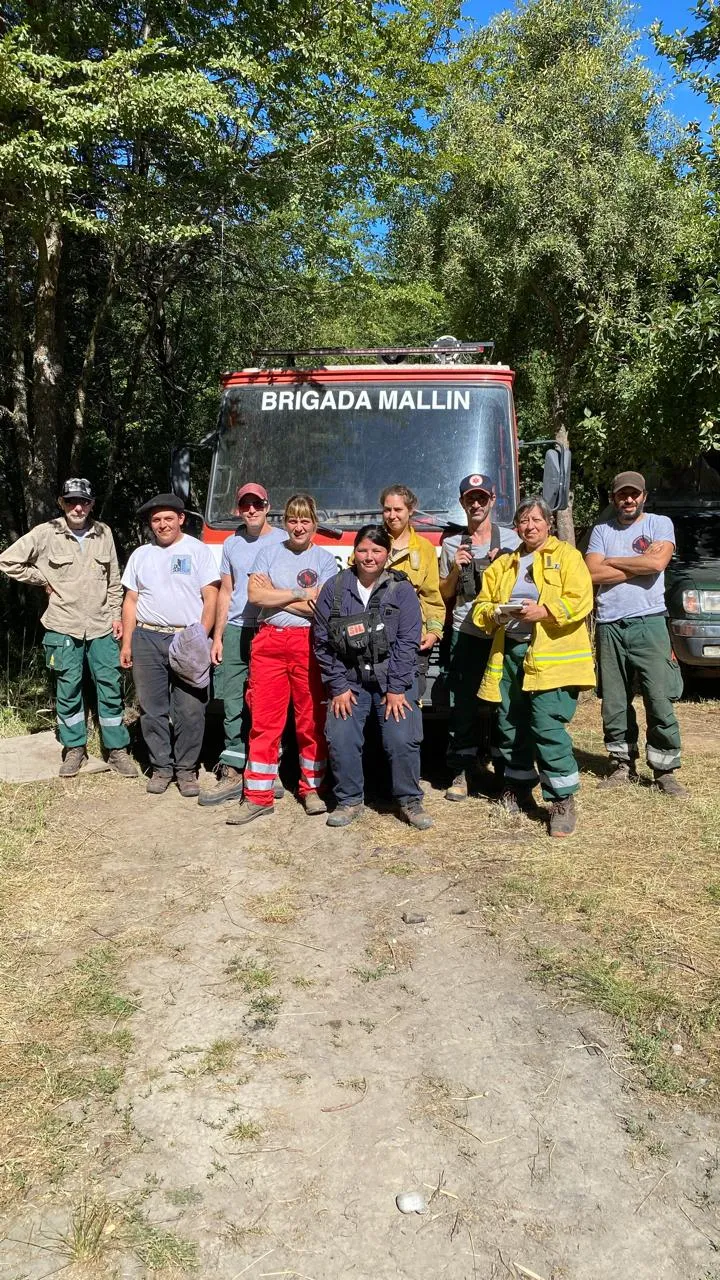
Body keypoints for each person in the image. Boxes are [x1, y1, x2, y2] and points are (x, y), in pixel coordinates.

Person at [472, 496, 596, 837]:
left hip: (552, 660)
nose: (529, 526)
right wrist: (496, 613)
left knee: (547, 728)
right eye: (523, 521)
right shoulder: (504, 564)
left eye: (536, 520)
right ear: (516, 527)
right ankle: (519, 787)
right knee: (511, 726)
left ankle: (562, 801)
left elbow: (580, 599)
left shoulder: (567, 557)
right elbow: (481, 607)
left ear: (548, 524)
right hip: (510, 655)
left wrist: (543, 611)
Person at [0, 478, 137, 778]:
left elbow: (115, 580)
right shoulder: (47, 533)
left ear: (92, 504)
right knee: (68, 688)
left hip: (102, 625)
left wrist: (116, 615)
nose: (78, 507)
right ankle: (74, 748)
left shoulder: (104, 533)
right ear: (61, 502)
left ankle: (116, 750)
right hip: (63, 624)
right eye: (71, 501)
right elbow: (7, 560)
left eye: (84, 501)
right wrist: (42, 579)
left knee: (110, 687)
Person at [227, 494, 337, 826]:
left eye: (305, 520)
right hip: (269, 642)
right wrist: (299, 593)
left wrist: (278, 594)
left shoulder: (325, 560)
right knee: (264, 721)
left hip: (308, 644)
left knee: (311, 721)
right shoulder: (268, 552)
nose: (299, 526)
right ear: (284, 523)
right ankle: (258, 796)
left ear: (314, 523)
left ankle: (312, 789)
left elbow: (321, 609)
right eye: (292, 520)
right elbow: (256, 596)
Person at [312, 524, 432, 830]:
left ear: (387, 554)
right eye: (363, 550)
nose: (369, 557)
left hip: (392, 680)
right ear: (354, 553)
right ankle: (349, 800)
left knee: (402, 737)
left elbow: (407, 643)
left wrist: (396, 689)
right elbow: (323, 642)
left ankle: (409, 801)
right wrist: (337, 687)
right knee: (340, 735)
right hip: (349, 682)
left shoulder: (401, 590)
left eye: (377, 550)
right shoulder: (335, 588)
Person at [584, 470, 686, 796]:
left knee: (659, 698)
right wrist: (637, 561)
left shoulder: (659, 524)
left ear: (643, 496)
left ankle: (664, 769)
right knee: (614, 702)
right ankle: (621, 764)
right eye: (622, 495)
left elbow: (657, 566)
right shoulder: (601, 530)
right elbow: (592, 571)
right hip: (610, 624)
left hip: (650, 621)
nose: (628, 500)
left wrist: (614, 563)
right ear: (613, 498)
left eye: (634, 494)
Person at [120, 494, 220, 796]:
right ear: (151, 524)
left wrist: (201, 636)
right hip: (147, 637)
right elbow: (131, 601)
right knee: (152, 709)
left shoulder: (197, 551)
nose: (162, 524)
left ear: (181, 519)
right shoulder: (141, 555)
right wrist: (127, 643)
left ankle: (186, 770)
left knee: (191, 709)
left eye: (168, 518)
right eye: (156, 520)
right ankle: (161, 767)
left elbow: (211, 596)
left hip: (187, 637)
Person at [199, 482, 286, 806]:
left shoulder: (281, 540)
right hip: (235, 629)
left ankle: (269, 767)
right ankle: (233, 767)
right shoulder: (231, 543)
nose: (251, 509)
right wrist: (218, 636)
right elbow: (226, 591)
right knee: (233, 701)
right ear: (238, 508)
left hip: (268, 627)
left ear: (267, 506)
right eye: (245, 504)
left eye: (257, 504)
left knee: (267, 702)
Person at [439, 473, 520, 800]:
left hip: (503, 633)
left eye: (482, 498)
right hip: (465, 630)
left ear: (492, 500)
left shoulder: (513, 540)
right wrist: (457, 568)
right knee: (464, 703)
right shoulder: (449, 544)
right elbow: (443, 593)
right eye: (470, 499)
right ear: (461, 503)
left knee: (506, 701)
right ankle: (462, 770)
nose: (476, 504)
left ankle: (506, 771)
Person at [380, 484, 445, 657]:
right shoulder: (371, 542)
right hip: (373, 637)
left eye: (398, 509)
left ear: (410, 511)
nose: (392, 516)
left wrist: (433, 632)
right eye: (387, 510)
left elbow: (431, 598)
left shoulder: (425, 549)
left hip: (411, 638)